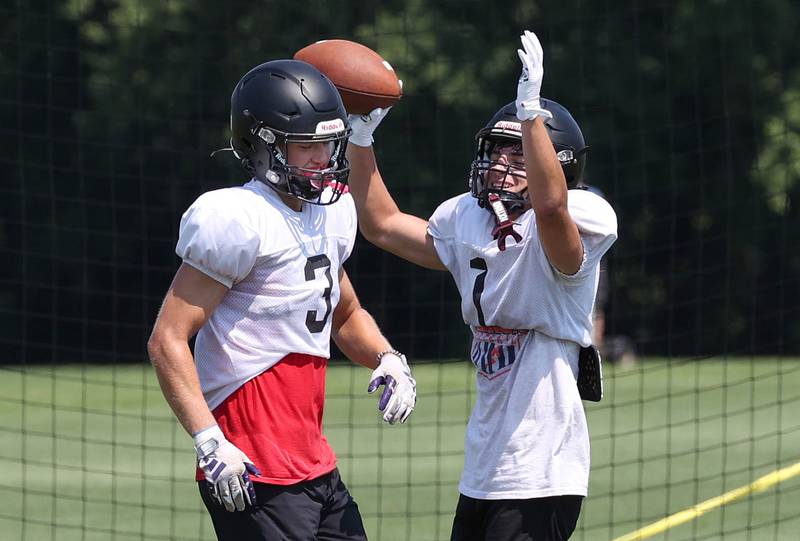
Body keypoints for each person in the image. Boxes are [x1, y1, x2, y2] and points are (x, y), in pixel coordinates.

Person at [345, 30, 618, 541]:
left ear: (557, 162)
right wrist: (361, 140)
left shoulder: (582, 215)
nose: (499, 165)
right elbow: (380, 223)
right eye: (497, 152)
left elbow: (553, 208)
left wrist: (530, 112)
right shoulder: (467, 219)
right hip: (485, 468)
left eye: (517, 157)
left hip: (543, 469)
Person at [146, 59, 417, 541]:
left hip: (312, 460)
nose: (322, 158)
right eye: (307, 145)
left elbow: (345, 312)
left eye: (327, 144)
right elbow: (167, 339)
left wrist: (387, 357)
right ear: (263, 145)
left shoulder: (331, 215)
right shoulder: (239, 217)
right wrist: (210, 442)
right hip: (251, 461)